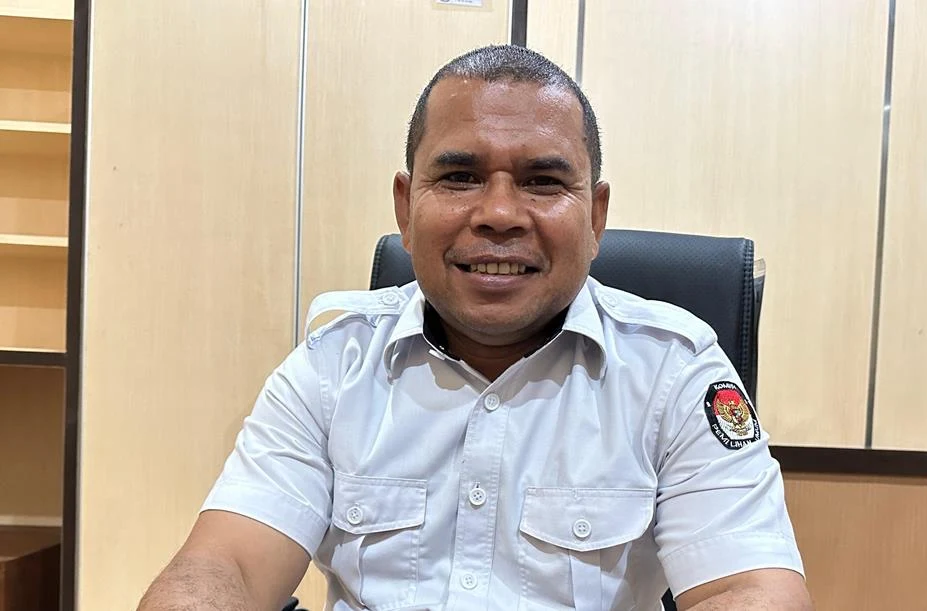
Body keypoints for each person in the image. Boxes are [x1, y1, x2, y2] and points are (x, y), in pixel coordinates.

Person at [139, 45, 811, 611]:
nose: (499, 213)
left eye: (542, 181)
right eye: (460, 176)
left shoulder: (675, 371)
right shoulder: (331, 367)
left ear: (595, 216)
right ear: (406, 206)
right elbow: (224, 566)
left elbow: (749, 588)